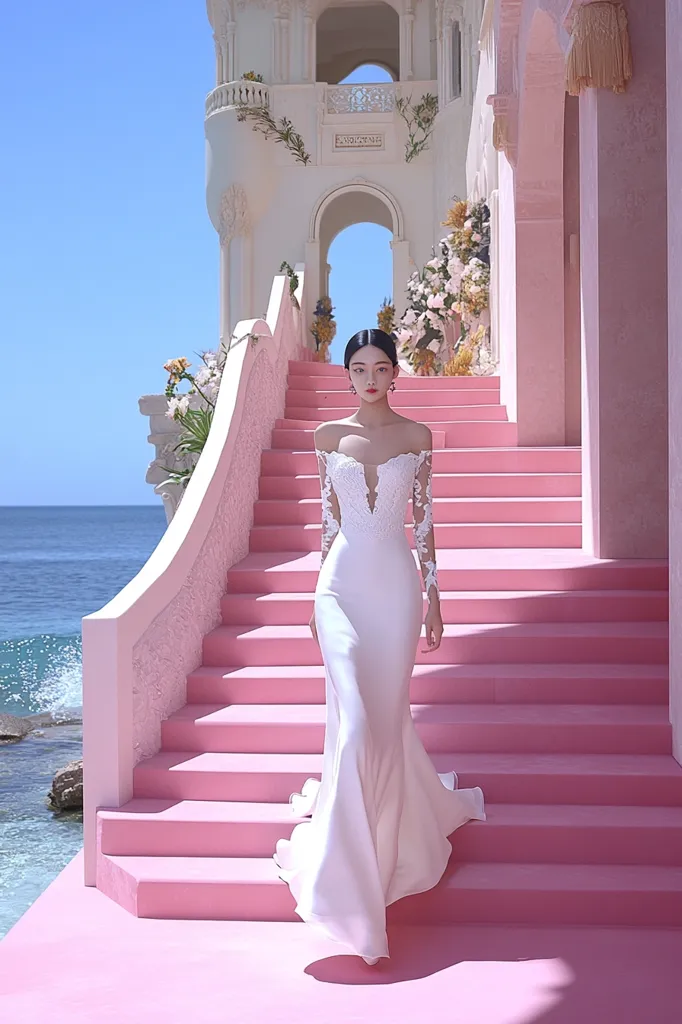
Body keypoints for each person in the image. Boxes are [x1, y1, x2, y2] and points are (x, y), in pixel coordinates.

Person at [274, 329, 485, 965]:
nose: (370, 378)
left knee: (385, 722)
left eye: (381, 368)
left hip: (395, 590)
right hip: (339, 588)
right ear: (347, 375)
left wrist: (435, 598)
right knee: (357, 727)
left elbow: (425, 525)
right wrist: (314, 595)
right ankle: (348, 888)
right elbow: (328, 524)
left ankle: (388, 845)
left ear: (396, 374)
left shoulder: (417, 436)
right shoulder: (327, 437)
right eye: (359, 368)